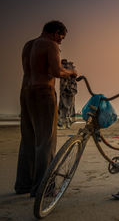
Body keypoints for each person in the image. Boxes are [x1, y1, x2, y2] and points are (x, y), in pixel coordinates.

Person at [15, 20, 77, 197]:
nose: (60, 42)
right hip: (43, 93)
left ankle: (24, 184)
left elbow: (35, 68)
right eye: (61, 37)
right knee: (45, 142)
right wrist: (71, 72)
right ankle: (43, 188)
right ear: (55, 33)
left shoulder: (29, 45)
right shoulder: (50, 44)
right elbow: (57, 71)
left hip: (26, 92)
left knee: (28, 139)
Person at [57, 59, 77, 129]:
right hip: (66, 92)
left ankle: (66, 124)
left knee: (66, 108)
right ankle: (64, 124)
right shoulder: (70, 70)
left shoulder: (69, 70)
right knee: (65, 108)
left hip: (68, 91)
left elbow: (74, 76)